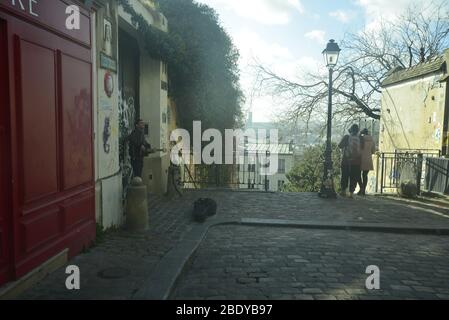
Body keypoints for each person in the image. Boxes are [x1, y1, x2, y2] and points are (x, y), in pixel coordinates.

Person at [338, 124, 362, 198]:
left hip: (346, 161)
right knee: (354, 177)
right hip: (357, 161)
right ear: (358, 130)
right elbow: (363, 147)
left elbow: (340, 145)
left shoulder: (347, 137)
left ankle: (343, 191)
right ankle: (351, 193)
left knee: (344, 176)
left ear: (350, 130)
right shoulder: (360, 138)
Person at [358, 128, 376, 195]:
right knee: (365, 175)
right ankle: (363, 190)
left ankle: (361, 188)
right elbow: (373, 151)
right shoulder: (371, 140)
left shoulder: (360, 138)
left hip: (360, 159)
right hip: (368, 159)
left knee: (358, 175)